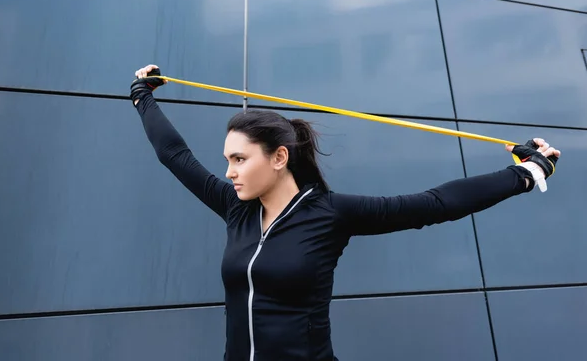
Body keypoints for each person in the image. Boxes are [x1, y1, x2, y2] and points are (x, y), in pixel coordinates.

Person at [129, 64, 560, 361]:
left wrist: (525, 173)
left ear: (279, 158)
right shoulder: (236, 209)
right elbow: (174, 154)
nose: (229, 172)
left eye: (240, 159)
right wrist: (141, 97)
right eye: (227, 160)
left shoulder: (329, 214)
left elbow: (434, 204)